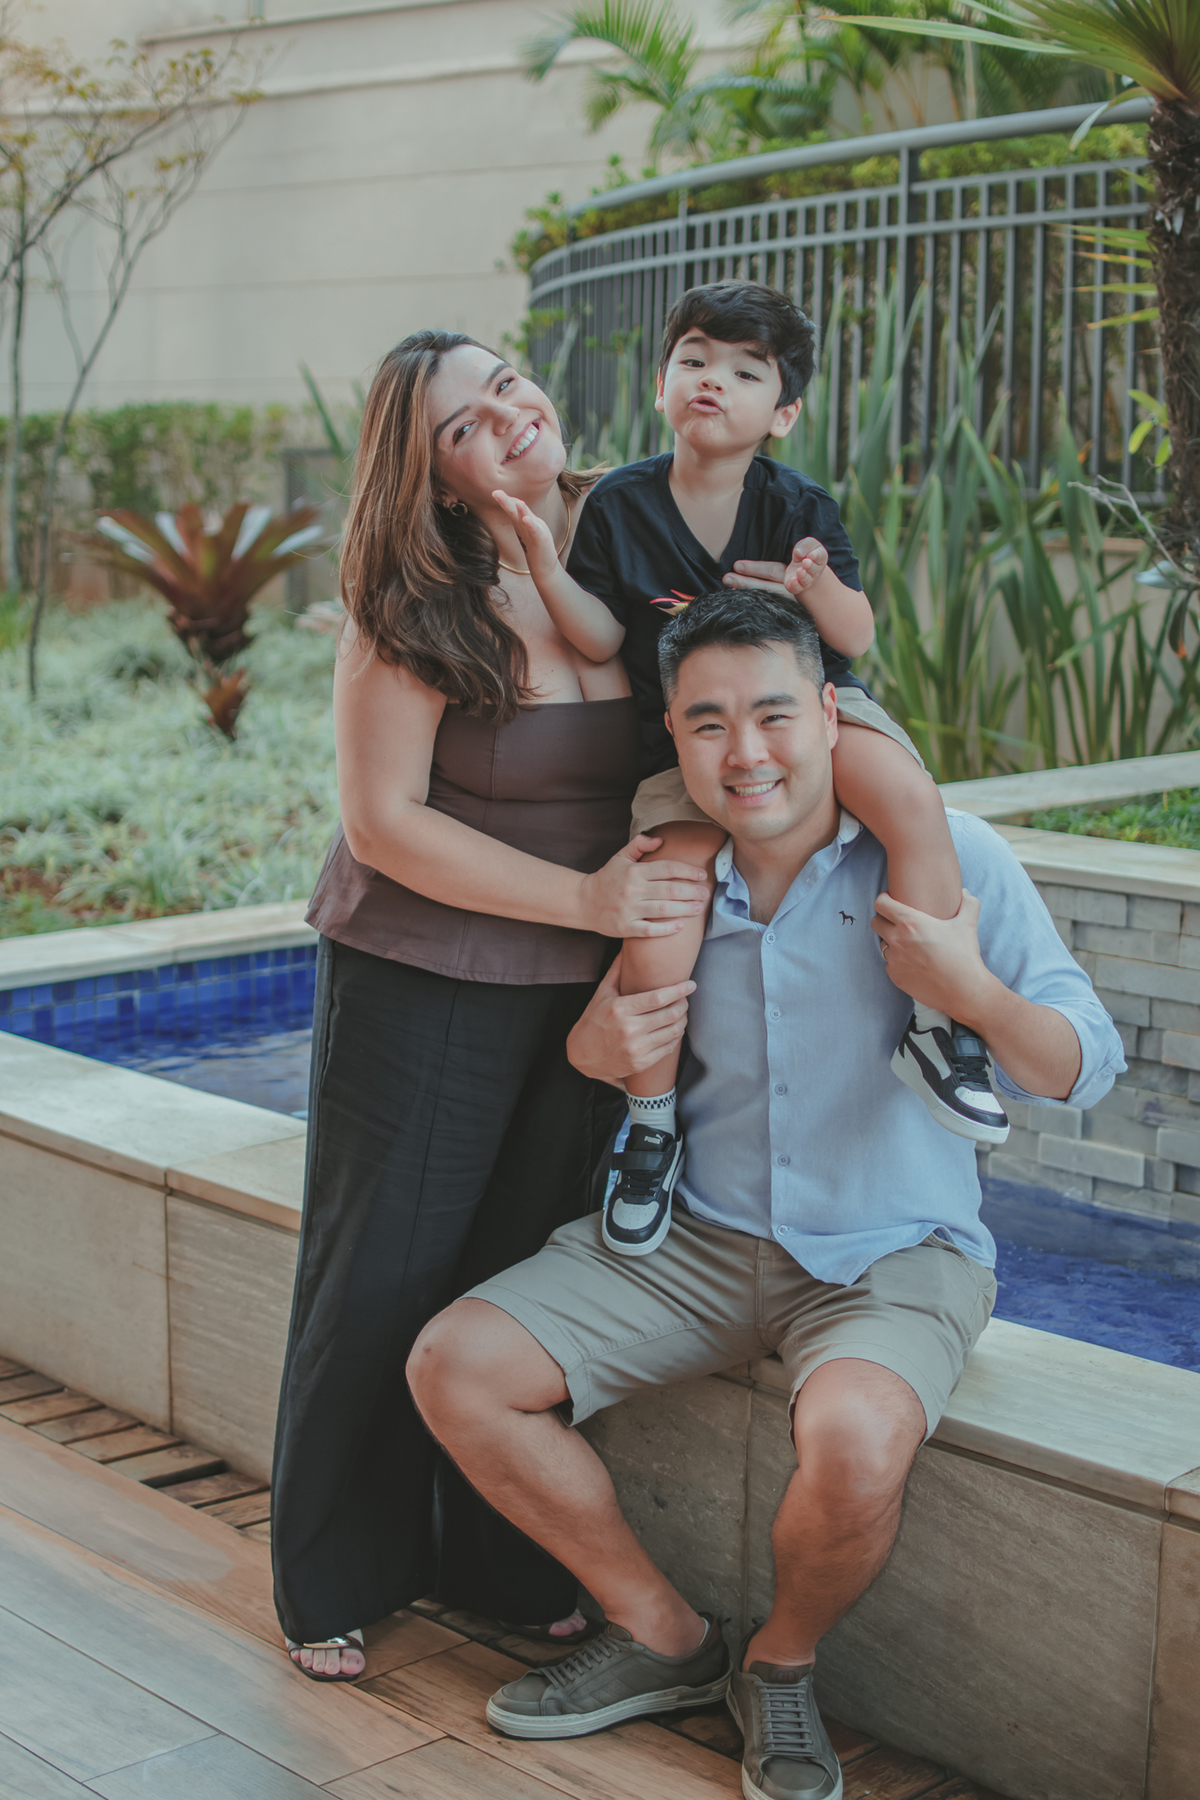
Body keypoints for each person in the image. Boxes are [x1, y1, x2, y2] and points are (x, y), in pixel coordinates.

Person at [406, 589, 1125, 1800]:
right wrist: (594, 1046)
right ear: (676, 740)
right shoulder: (665, 879)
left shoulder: (948, 859)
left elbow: (1083, 1069)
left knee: (855, 1442)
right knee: (454, 1367)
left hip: (892, 1253)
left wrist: (974, 995)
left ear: (832, 715)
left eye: (775, 715)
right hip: (693, 1238)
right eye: (710, 723)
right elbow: (602, 1044)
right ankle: (664, 1638)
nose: (746, 753)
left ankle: (780, 1665)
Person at [271, 330, 712, 1682]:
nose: (507, 417)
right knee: (384, 1273)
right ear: (431, 473)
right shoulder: (413, 599)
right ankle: (334, 1573)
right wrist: (584, 899)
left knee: (525, 1279)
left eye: (507, 384)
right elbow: (382, 823)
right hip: (425, 977)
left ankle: (504, 1563)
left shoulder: (620, 542)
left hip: (577, 992)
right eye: (463, 424)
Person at [494, 280, 1008, 1263]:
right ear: (660, 385)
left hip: (815, 713)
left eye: (744, 370)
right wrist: (544, 563)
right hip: (688, 742)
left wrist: (817, 590)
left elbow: (858, 636)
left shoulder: (797, 505)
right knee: (665, 894)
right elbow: (599, 634)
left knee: (910, 799)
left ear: (783, 411)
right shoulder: (621, 504)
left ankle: (940, 1025)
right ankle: (652, 1126)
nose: (712, 381)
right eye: (693, 360)